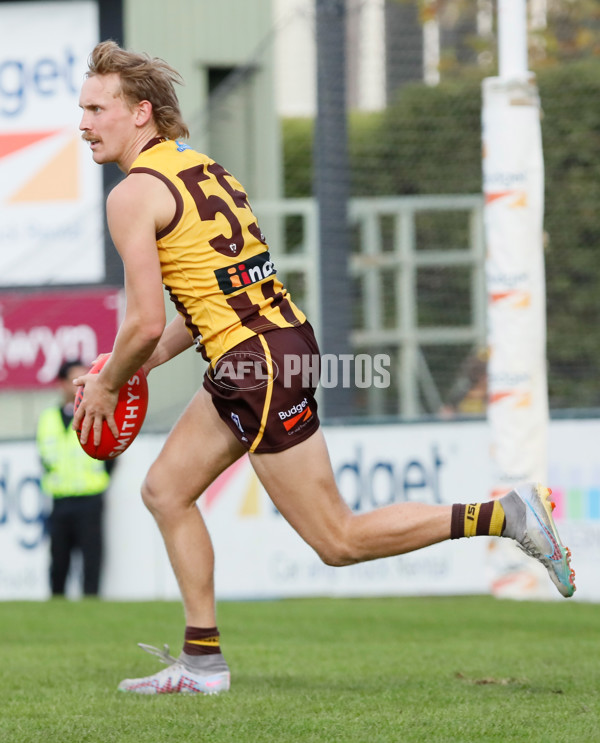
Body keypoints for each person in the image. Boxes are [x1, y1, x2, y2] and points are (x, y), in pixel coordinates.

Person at [74, 40, 575, 695]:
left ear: (140, 113)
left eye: (96, 108)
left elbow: (142, 321)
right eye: (81, 108)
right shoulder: (202, 169)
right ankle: (201, 664)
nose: (83, 122)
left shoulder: (132, 195)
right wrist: (130, 370)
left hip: (257, 362)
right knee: (166, 489)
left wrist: (112, 381)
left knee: (337, 539)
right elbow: (202, 310)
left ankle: (506, 515)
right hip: (264, 349)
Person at [37, 359, 114, 597]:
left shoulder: (98, 412)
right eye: (76, 380)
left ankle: (91, 614)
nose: (81, 386)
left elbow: (111, 456)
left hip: (90, 499)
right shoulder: (48, 418)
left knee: (92, 563)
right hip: (60, 501)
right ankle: (56, 614)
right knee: (58, 563)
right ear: (61, 384)